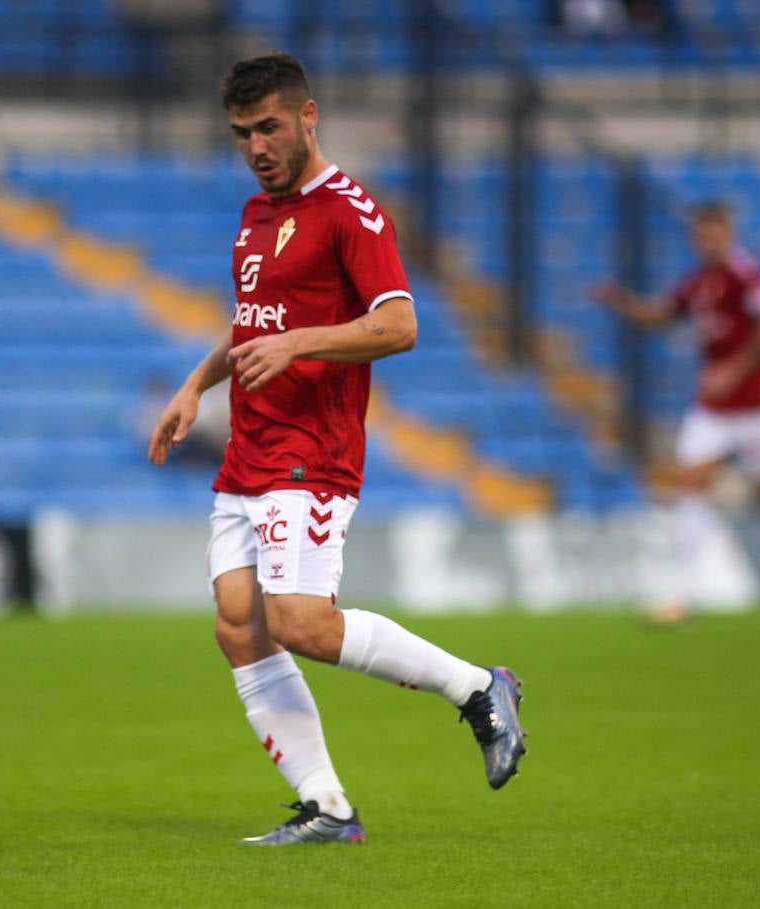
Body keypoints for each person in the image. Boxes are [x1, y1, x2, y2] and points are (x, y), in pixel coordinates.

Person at [147, 53, 527, 846]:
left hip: (309, 451)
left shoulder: (353, 211)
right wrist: (194, 385)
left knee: (301, 623)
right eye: (241, 132)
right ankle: (328, 807)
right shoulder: (256, 213)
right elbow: (253, 324)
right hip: (246, 453)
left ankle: (478, 688)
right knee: (238, 625)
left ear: (308, 116)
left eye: (269, 127)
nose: (256, 145)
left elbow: (399, 325)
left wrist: (299, 344)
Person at [593, 200, 760, 622]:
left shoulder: (745, 276)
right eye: (702, 234)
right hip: (713, 409)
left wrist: (733, 367)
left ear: (728, 234)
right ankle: (682, 596)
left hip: (758, 406)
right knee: (691, 483)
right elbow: (662, 315)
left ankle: (683, 595)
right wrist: (621, 302)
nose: (708, 241)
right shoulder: (697, 283)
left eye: (715, 234)